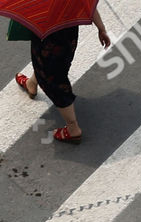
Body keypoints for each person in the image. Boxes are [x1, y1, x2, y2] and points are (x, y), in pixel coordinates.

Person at [15, 8, 110, 143]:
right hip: (68, 39)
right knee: (47, 67)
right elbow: (89, 6)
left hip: (46, 38)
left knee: (55, 82)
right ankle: (32, 84)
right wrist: (101, 28)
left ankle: (73, 129)